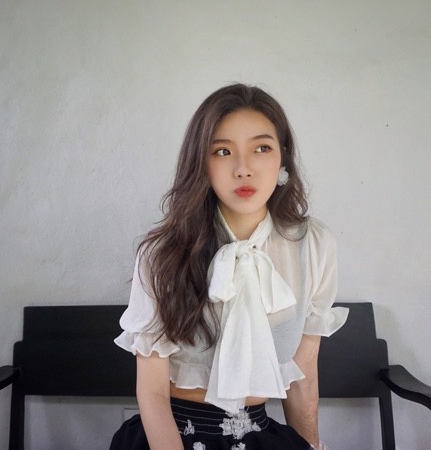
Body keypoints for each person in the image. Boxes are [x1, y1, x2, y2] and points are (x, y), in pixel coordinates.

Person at [110, 83, 348, 450]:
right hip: (171, 437)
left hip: (260, 435)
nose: (243, 169)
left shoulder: (312, 245)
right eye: (223, 151)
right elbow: (152, 393)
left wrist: (312, 446)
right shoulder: (162, 253)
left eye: (261, 148)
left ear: (283, 159)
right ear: (201, 163)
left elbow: (303, 377)